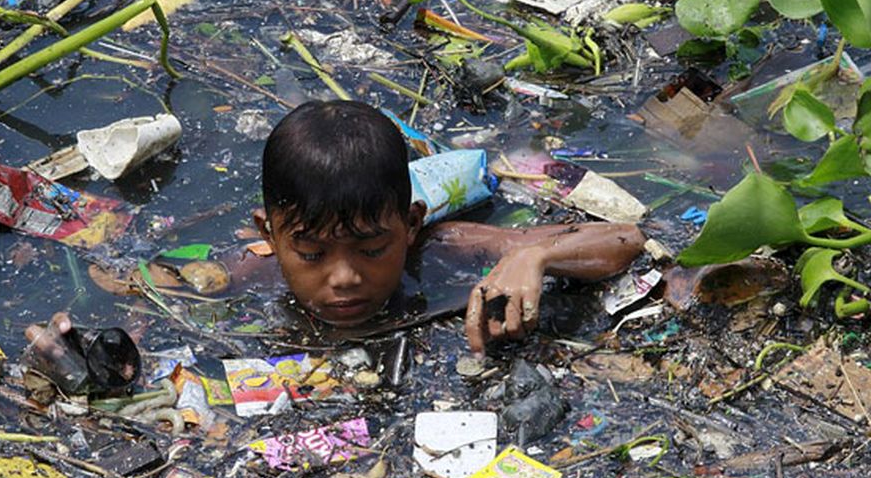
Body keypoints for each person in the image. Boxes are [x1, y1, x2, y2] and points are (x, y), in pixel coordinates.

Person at [247, 100, 645, 355]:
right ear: (269, 235)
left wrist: (532, 255)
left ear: (411, 224)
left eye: (371, 250)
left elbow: (628, 238)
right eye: (312, 254)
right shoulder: (254, 271)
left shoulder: (442, 247)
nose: (345, 277)